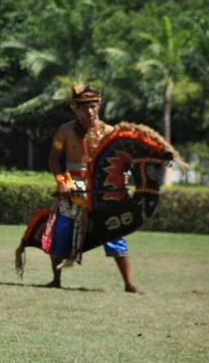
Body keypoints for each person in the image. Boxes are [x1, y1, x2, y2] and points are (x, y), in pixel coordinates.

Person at [46, 84, 143, 294]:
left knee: (115, 230)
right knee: (61, 230)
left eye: (93, 106)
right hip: (72, 187)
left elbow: (121, 160)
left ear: (99, 106)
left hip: (101, 190)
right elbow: (54, 159)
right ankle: (56, 279)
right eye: (84, 107)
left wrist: (123, 173)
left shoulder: (109, 131)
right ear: (75, 108)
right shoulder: (65, 130)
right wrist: (61, 181)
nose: (89, 111)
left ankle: (128, 283)